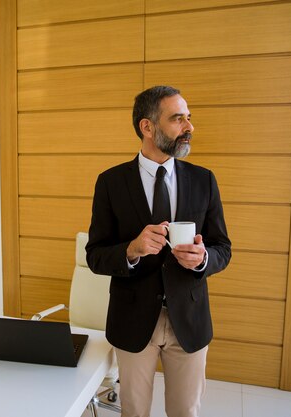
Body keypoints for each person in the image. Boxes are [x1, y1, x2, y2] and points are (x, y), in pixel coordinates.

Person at [85, 85, 231, 417]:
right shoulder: (110, 183)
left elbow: (223, 247)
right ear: (147, 127)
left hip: (190, 321)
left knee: (185, 412)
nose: (189, 127)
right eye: (178, 118)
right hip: (133, 320)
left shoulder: (204, 180)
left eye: (189, 118)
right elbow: (94, 255)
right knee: (134, 412)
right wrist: (131, 251)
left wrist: (203, 259)